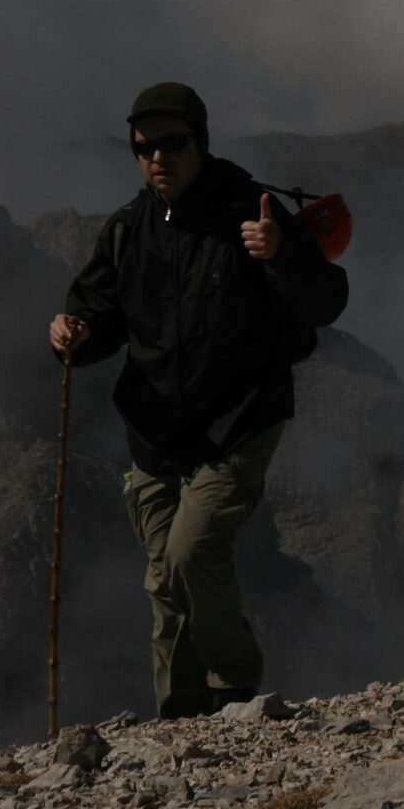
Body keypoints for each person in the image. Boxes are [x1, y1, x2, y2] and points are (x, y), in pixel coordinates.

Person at [48, 82, 348, 717]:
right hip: (156, 433)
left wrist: (282, 253)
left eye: (172, 143)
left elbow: (324, 303)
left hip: (239, 421)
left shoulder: (250, 213)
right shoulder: (128, 231)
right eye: (145, 147)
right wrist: (72, 334)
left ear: (200, 142)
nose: (158, 156)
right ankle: (182, 717)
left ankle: (233, 686)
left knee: (190, 552)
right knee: (163, 576)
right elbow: (97, 312)